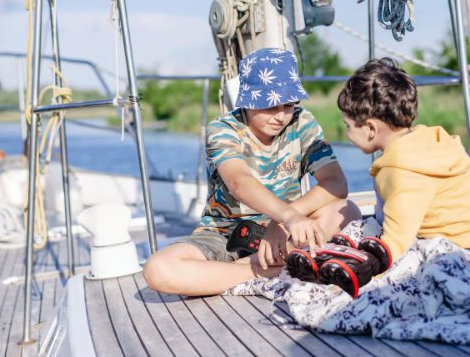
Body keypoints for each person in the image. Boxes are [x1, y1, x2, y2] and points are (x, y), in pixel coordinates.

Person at [144, 47, 361, 296]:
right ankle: (266, 269)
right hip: (226, 233)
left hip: (284, 233)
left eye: (289, 105)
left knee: (347, 211)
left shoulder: (302, 123)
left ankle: (226, 274)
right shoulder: (223, 130)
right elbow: (239, 182)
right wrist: (287, 217)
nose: (281, 116)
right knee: (158, 269)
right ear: (247, 101)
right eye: (270, 106)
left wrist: (281, 222)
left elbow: (336, 183)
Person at [337, 57, 470, 262]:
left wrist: (373, 276)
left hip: (450, 251)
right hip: (457, 240)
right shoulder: (426, 143)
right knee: (358, 228)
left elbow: (397, 240)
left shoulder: (401, 170)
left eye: (348, 126)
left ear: (370, 129)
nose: (347, 134)